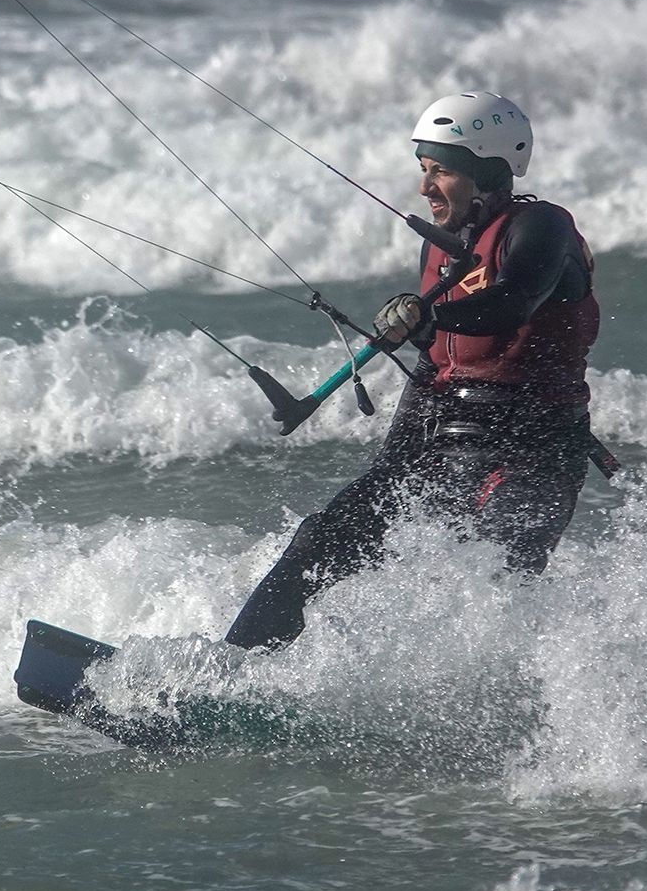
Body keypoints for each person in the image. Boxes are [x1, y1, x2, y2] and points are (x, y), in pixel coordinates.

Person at [224, 91, 601, 651]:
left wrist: (430, 317)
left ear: (487, 172)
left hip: (531, 451)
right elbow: (436, 359)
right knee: (320, 540)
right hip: (440, 432)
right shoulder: (444, 249)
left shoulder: (542, 227)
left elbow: (514, 301)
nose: (425, 188)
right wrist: (387, 474)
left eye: (441, 171)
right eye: (423, 169)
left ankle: (492, 691)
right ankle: (232, 669)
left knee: (488, 572)